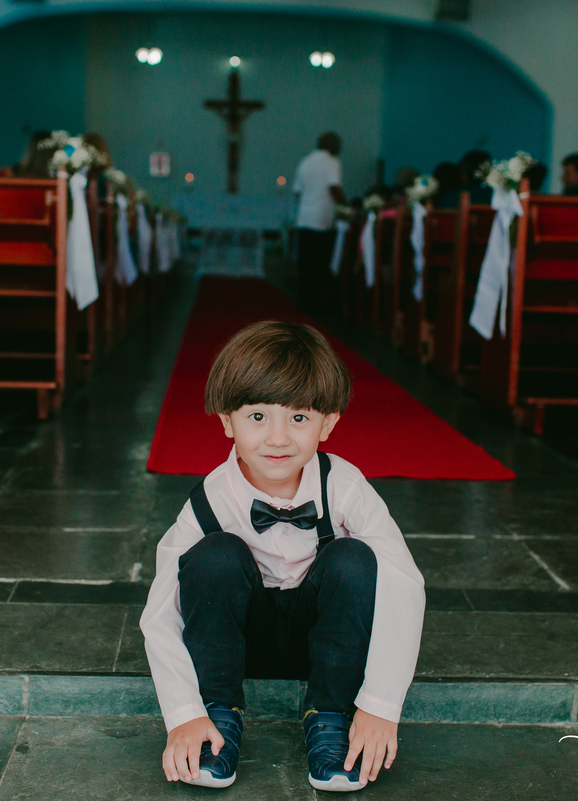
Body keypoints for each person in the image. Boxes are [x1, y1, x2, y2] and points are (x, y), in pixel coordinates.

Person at [141, 321, 425, 793]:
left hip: (328, 644)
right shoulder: (209, 500)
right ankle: (218, 715)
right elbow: (160, 614)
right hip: (235, 643)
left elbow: (403, 583)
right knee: (214, 557)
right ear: (226, 420)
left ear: (328, 423)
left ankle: (331, 716)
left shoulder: (346, 485)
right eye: (257, 417)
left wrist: (379, 703)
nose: (277, 438)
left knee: (355, 559)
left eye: (298, 418)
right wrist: (182, 713)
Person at [292, 133, 348, 313]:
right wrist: (345, 206)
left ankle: (303, 302)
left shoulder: (305, 161)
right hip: (322, 219)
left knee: (305, 263)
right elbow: (334, 187)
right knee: (320, 263)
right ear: (332, 146)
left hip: (304, 218)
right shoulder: (332, 162)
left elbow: (297, 192)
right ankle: (318, 304)